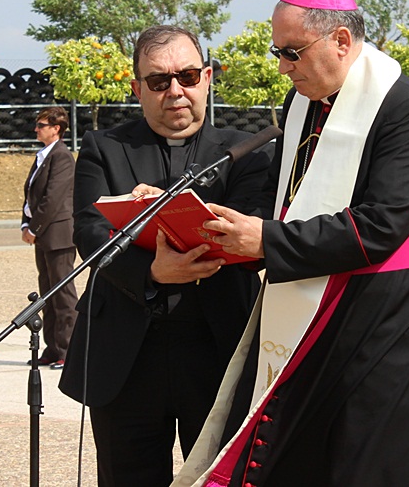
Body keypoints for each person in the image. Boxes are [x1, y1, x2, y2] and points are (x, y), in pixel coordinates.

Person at [175, 0, 409, 487]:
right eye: (278, 52)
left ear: (340, 40)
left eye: (292, 52)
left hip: (396, 317)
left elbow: (382, 225)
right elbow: (284, 201)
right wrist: (210, 221)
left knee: (371, 462)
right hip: (322, 303)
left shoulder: (407, 109)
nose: (284, 66)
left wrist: (267, 240)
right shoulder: (302, 103)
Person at [58, 25, 274, 487]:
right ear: (138, 89)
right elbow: (90, 231)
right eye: (159, 81)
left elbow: (254, 232)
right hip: (127, 354)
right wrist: (151, 270)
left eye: (188, 76)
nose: (175, 91)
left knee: (220, 480)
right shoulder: (104, 148)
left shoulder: (248, 152)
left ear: (208, 78)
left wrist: (180, 216)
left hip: (217, 348)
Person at [21, 106, 78, 368]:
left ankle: (68, 349)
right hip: (44, 234)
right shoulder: (42, 155)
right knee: (47, 292)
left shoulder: (62, 157)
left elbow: (53, 197)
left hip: (59, 234)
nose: (37, 129)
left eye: (42, 125)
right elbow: (31, 195)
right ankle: (52, 347)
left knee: (63, 293)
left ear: (56, 128)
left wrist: (34, 227)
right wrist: (25, 223)